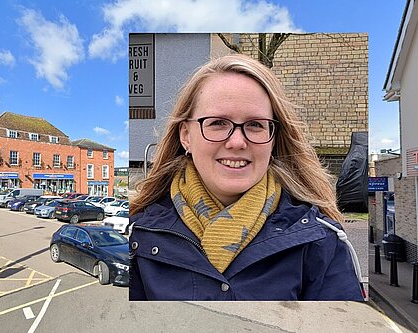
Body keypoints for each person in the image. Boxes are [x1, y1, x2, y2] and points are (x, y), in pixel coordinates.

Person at [129, 54, 365, 301]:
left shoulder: (321, 241)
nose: (237, 142)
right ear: (186, 136)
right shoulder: (138, 236)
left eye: (255, 125)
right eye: (218, 123)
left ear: (273, 139)